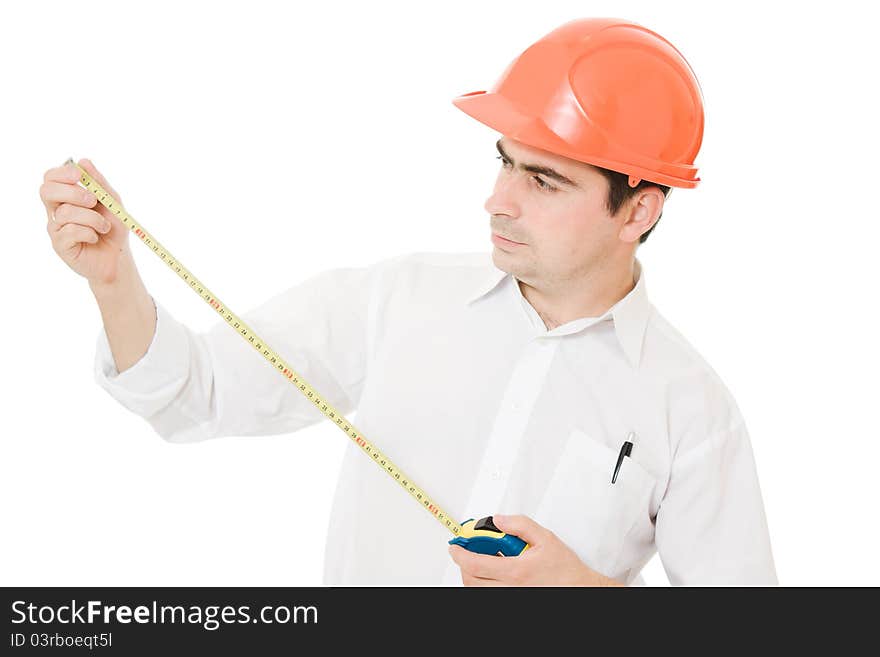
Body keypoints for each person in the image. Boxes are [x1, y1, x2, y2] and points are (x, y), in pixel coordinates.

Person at [39, 17, 777, 586]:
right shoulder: (397, 299)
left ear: (638, 212)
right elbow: (195, 393)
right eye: (504, 164)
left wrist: (586, 591)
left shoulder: (692, 411)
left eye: (544, 182)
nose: (498, 202)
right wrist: (113, 280)